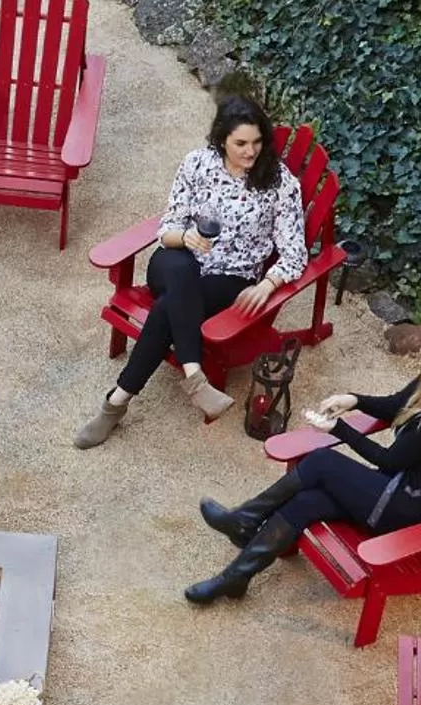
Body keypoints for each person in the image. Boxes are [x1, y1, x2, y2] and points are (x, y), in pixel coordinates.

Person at [75, 97, 308, 447]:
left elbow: (295, 252)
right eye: (240, 143)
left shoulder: (279, 183)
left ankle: (115, 402)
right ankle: (195, 376)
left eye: (257, 142)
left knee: (167, 307)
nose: (251, 152)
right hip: (176, 260)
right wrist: (187, 237)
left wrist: (269, 284)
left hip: (230, 279)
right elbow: (167, 228)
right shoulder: (197, 164)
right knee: (181, 275)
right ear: (221, 139)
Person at [183, 333, 421, 603]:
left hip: (403, 511)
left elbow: (387, 460)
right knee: (306, 502)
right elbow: (394, 405)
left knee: (323, 462)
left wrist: (339, 429)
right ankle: (235, 578)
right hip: (390, 489)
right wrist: (353, 400)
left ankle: (244, 519)